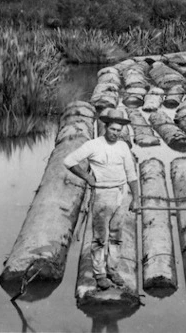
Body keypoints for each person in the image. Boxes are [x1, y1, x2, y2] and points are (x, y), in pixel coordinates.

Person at [64, 108, 139, 291]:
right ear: (105, 127)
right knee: (99, 238)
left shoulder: (123, 147)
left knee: (116, 235)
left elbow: (131, 174)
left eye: (119, 130)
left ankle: (113, 269)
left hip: (121, 194)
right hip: (102, 196)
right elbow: (69, 161)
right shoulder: (93, 145)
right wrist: (87, 177)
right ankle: (100, 274)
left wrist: (136, 198)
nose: (116, 133)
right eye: (113, 129)